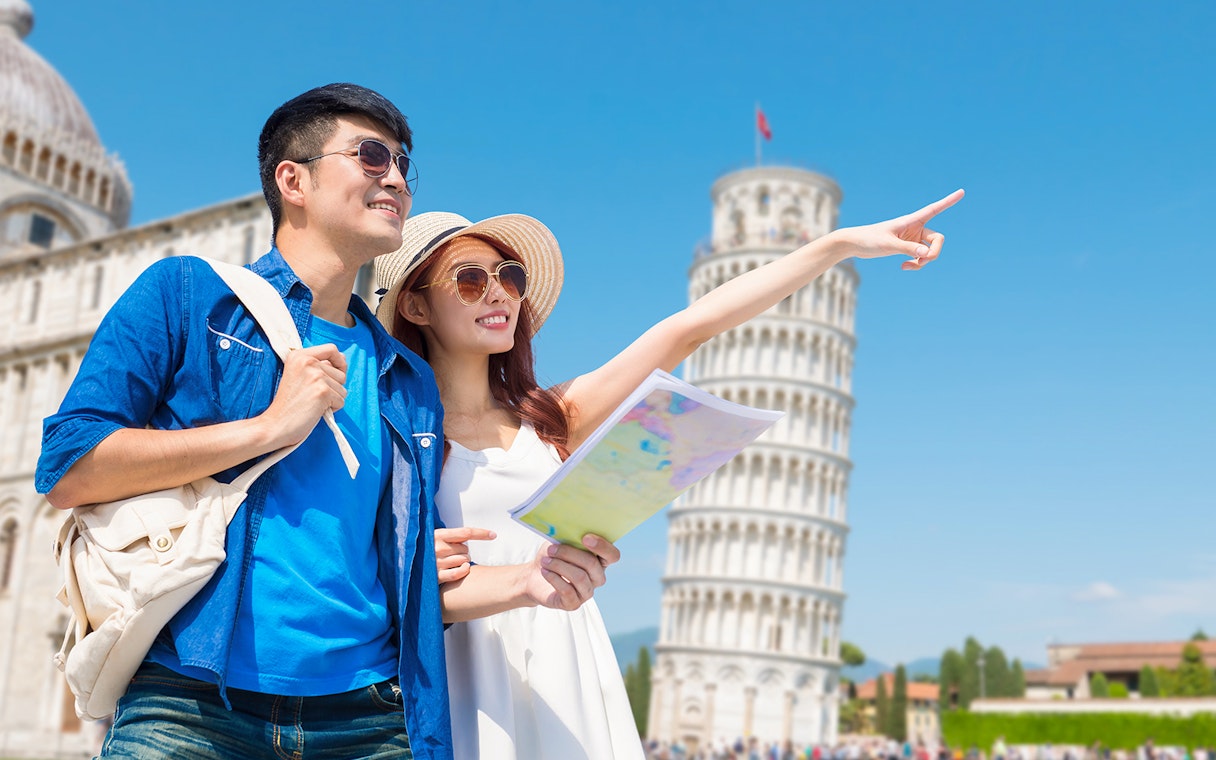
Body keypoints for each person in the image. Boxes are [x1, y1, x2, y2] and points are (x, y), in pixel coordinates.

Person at [36, 83, 614, 760]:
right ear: (294, 180)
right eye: (371, 157)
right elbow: (68, 465)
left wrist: (528, 581)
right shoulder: (187, 296)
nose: (395, 177)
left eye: (402, 162)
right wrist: (268, 429)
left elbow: (405, 579)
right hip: (190, 706)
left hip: (367, 721)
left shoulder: (408, 381)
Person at [372, 188, 963, 758]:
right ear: (417, 305)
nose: (498, 293)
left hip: (566, 653)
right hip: (460, 669)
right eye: (470, 279)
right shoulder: (392, 434)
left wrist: (837, 246)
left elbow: (690, 326)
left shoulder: (552, 418)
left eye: (511, 277)